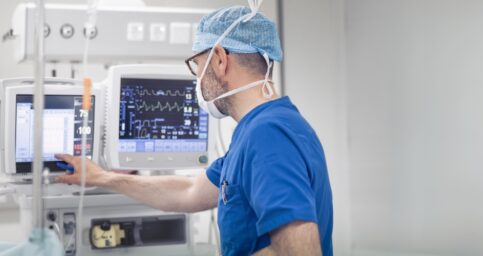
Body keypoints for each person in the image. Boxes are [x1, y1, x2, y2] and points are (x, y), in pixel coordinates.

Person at [55, 5, 333, 255]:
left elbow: (301, 253)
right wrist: (102, 177)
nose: (197, 81)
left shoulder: (268, 135)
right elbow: (189, 190)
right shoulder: (259, 130)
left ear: (220, 60)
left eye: (197, 67)